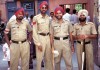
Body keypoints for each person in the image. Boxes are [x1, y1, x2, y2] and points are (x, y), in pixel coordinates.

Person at [32, 1, 53, 70]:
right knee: (39, 59)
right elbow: (34, 31)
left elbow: (50, 30)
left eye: (45, 8)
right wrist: (38, 43)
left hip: (47, 38)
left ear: (47, 9)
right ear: (40, 8)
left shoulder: (49, 18)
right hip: (40, 38)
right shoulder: (36, 18)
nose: (44, 9)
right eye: (42, 8)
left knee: (48, 58)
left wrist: (51, 42)